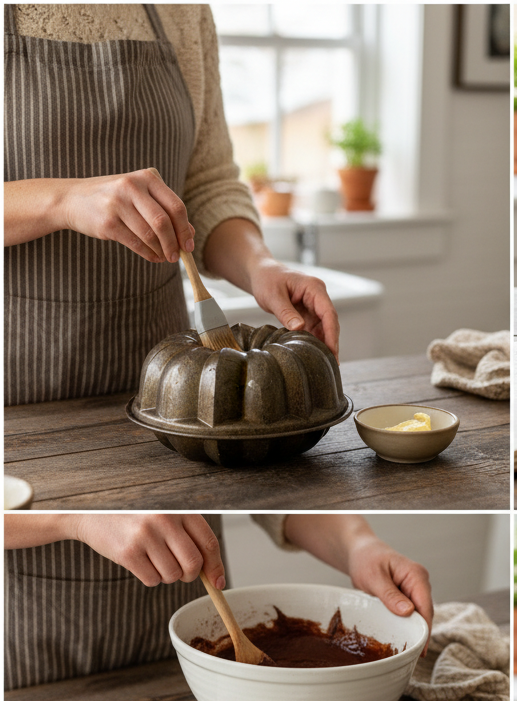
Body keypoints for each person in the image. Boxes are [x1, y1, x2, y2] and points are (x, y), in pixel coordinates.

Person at [3, 4, 340, 407]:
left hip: (173, 397)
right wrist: (62, 202)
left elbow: (207, 181)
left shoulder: (184, 10)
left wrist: (260, 268)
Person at [4, 514, 433, 690]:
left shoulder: (198, 371)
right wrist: (78, 515)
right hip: (39, 676)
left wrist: (357, 545)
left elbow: (266, 483)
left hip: (201, 685)